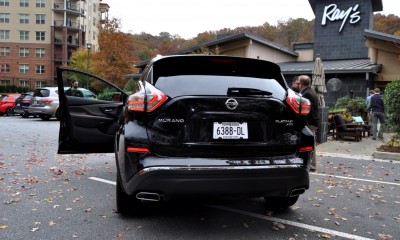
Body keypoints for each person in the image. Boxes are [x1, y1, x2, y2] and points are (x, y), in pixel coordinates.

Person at [298, 75, 319, 172]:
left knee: (310, 144)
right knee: (311, 143)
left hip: (309, 122)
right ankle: (311, 164)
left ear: (301, 84)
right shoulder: (311, 91)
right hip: (314, 122)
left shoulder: (306, 94)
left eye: (298, 82)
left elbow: (307, 110)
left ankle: (311, 165)